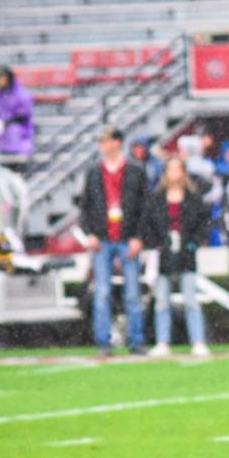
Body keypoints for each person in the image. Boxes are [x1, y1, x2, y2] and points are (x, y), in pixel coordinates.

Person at [80, 126, 149, 357]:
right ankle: (103, 342)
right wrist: (89, 232)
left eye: (106, 140)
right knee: (102, 293)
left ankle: (136, 341)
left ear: (117, 142)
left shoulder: (136, 171)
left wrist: (139, 237)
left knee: (132, 293)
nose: (102, 145)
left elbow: (144, 207)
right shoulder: (93, 172)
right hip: (102, 239)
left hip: (127, 237)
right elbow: (86, 205)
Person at [142, 156, 210, 358]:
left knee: (190, 299)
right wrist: (157, 244)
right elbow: (148, 224)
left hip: (186, 253)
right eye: (170, 169)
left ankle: (198, 340)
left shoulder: (192, 198)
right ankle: (163, 341)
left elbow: (203, 223)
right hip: (165, 253)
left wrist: (193, 243)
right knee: (162, 300)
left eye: (177, 169)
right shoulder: (157, 199)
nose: (173, 173)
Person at [0, 66, 35, 157]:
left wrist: (8, 122)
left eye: (2, 77)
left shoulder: (21, 94)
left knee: (13, 131)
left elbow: (23, 115)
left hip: (19, 128)